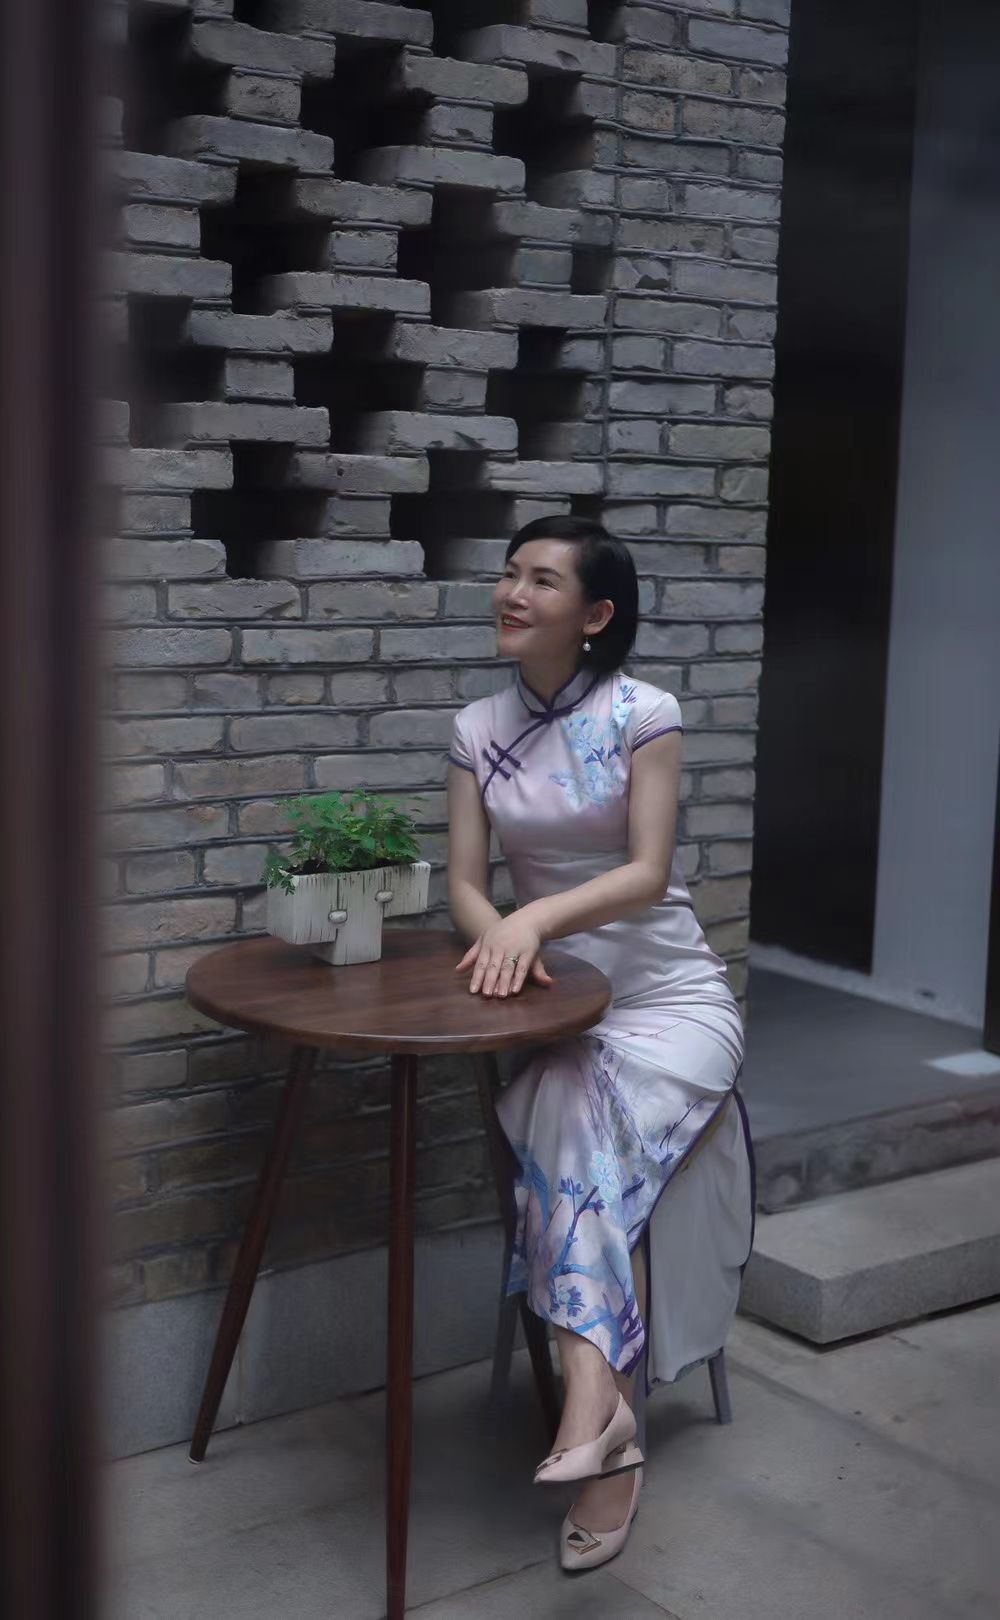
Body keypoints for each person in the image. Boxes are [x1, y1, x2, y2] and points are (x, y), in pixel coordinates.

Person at [446, 515, 755, 1572]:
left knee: (565, 1115)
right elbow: (464, 883)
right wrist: (502, 935)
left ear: (596, 614)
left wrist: (531, 919)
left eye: (542, 579)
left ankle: (594, 1411)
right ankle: (601, 1417)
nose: (512, 592)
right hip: (565, 1011)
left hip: (673, 1005)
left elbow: (646, 871)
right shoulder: (475, 727)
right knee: (571, 1106)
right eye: (509, 572)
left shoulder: (643, 713)